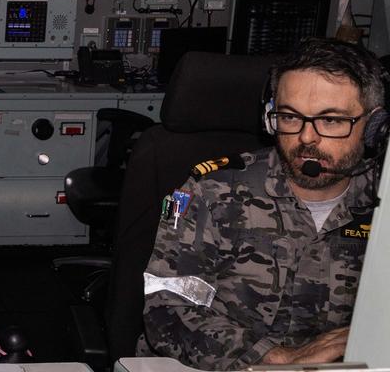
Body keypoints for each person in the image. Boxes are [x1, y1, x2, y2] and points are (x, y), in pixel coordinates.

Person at [140, 37, 385, 370]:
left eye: (331, 121)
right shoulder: (211, 190)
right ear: (270, 117)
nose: (306, 138)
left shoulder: (381, 199)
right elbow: (167, 309)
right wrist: (276, 357)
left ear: (373, 127)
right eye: (290, 117)